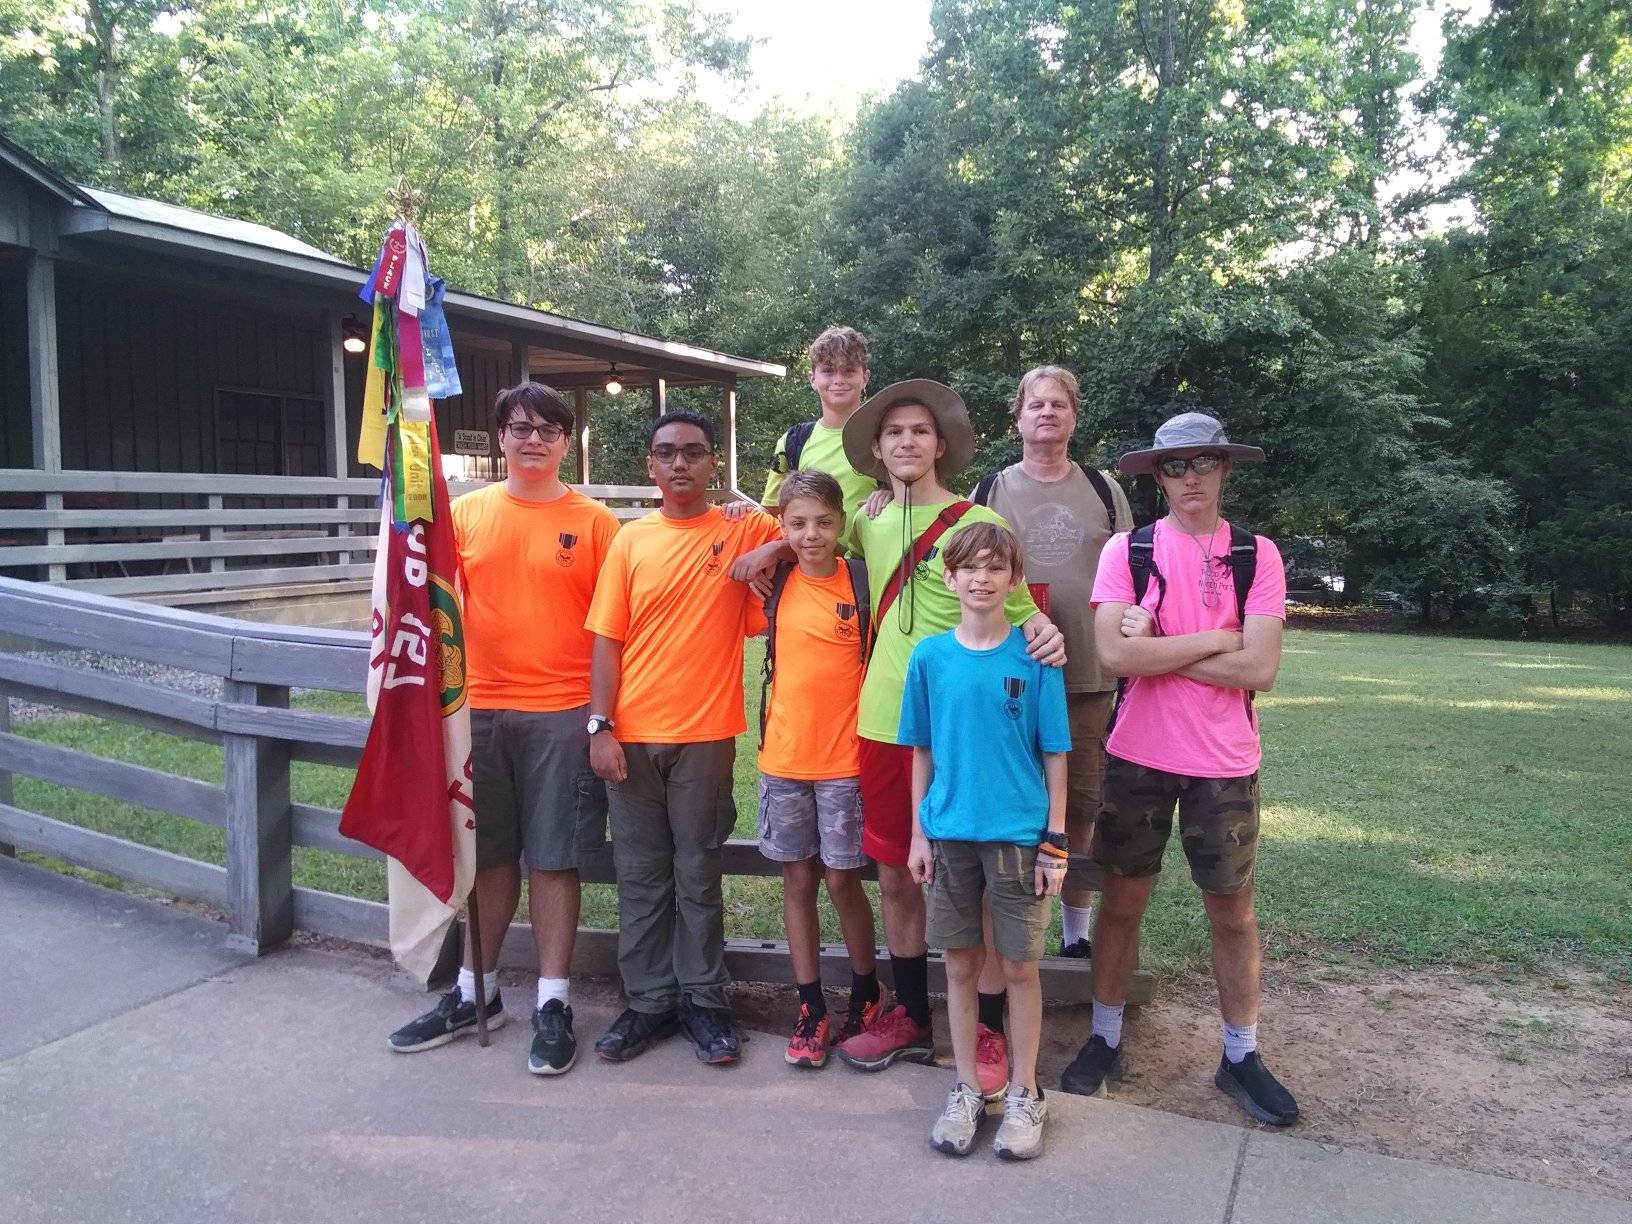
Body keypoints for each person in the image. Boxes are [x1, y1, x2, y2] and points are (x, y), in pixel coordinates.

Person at [1061, 411, 1298, 1128]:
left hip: (1225, 766)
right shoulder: (1126, 551)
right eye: (1174, 466)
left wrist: (1165, 636)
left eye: (1202, 463)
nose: (1188, 477)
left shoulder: (1258, 555)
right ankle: (1105, 1039)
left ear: (1225, 468)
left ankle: (1240, 1055)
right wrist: (1216, 639)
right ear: (1155, 476)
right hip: (1135, 757)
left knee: (1232, 914)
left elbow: (1259, 669)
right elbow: (1117, 658)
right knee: (1122, 904)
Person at [831, 379, 1065, 1087]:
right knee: (896, 873)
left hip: (963, 731)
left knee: (987, 878)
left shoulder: (970, 522)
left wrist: (1045, 630)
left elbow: (1023, 608)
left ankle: (990, 1028)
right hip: (882, 721)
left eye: (920, 432)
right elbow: (800, 528)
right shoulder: (865, 517)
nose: (907, 442)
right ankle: (910, 1015)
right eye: (894, 432)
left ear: (942, 446)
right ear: (876, 449)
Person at [387, 382, 618, 1077]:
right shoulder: (466, 516)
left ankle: (552, 1001)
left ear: (566, 441)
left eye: (549, 429)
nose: (534, 440)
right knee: (486, 858)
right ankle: (474, 992)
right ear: (499, 438)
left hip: (561, 712)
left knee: (553, 857)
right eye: (520, 428)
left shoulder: (597, 523)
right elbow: (432, 609)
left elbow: (614, 633)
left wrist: (604, 718)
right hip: (476, 710)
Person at [584, 409, 782, 1066]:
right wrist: (600, 724)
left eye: (693, 453)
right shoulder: (629, 541)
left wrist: (767, 546)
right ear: (650, 465)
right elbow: (606, 640)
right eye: (666, 453)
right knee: (641, 875)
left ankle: (702, 999)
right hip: (632, 737)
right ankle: (646, 1001)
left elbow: (816, 533)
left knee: (698, 870)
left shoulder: (741, 526)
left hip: (705, 734)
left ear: (713, 463)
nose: (679, 465)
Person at [901, 521, 1071, 1160]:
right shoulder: (930, 658)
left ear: (1013, 580)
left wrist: (1054, 839)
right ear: (949, 578)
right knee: (960, 965)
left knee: (1020, 965)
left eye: (994, 568)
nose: (980, 578)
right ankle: (967, 1087)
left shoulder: (1036, 657)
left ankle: (1026, 1092)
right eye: (968, 567)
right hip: (949, 837)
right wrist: (919, 833)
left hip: (1019, 839)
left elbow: (1056, 752)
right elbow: (920, 750)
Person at [970, 367, 1132, 966]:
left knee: (1083, 801)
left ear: (1074, 416)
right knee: (1010, 792)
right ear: (1017, 417)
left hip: (1087, 672)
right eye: (1035, 404)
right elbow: (961, 565)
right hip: (1006, 666)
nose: (1047, 413)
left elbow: (1129, 573)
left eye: (1059, 404)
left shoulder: (1103, 488)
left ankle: (1074, 928)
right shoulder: (989, 490)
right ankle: (1003, 917)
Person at [755, 469, 883, 1068]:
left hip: (843, 762)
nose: (812, 535)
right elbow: (729, 544)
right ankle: (811, 1005)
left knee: (841, 880)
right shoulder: (772, 581)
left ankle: (866, 991)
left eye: (824, 523)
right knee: (798, 881)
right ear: (781, 525)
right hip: (783, 758)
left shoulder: (859, 582)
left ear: (843, 525)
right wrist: (769, 544)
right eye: (797, 524)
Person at [760, 325, 878, 515]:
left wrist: (889, 493)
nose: (838, 380)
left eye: (848, 370)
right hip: (809, 545)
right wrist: (739, 511)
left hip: (877, 545)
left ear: (865, 377)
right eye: (829, 371)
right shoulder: (792, 442)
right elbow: (771, 511)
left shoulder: (887, 437)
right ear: (812, 379)